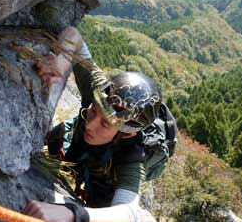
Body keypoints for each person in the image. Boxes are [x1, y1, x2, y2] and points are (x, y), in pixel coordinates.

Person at [23, 27, 162, 222]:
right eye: (93, 111)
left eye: (105, 124)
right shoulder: (102, 94)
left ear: (126, 134)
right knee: (61, 137)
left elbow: (127, 212)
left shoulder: (131, 157)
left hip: (102, 184)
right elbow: (74, 35)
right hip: (76, 146)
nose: (91, 125)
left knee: (99, 203)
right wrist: (61, 64)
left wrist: (74, 213)